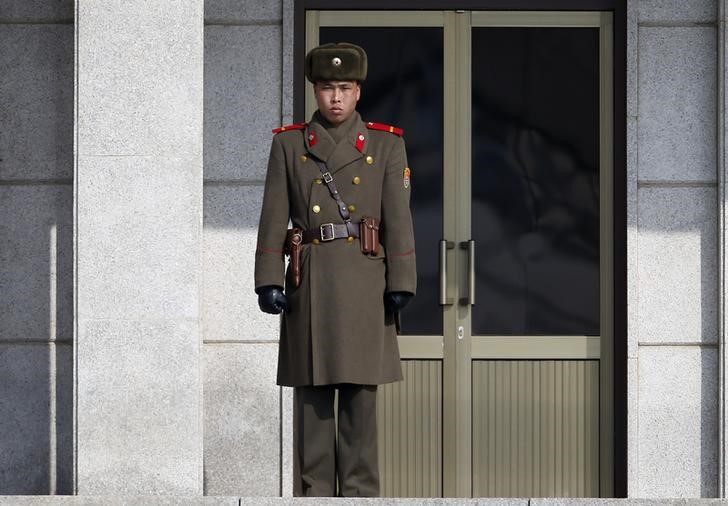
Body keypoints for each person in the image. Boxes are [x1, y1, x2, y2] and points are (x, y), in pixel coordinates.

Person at [254, 42, 416, 497]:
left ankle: (362, 496)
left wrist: (401, 280)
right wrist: (268, 277)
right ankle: (314, 496)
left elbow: (398, 219)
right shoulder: (289, 144)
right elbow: (273, 215)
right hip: (313, 283)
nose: (336, 98)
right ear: (315, 91)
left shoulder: (386, 144)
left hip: (366, 281)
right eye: (327, 88)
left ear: (359, 91)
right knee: (314, 404)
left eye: (345, 88)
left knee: (360, 408)